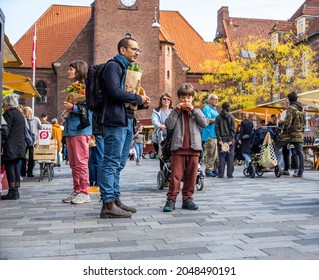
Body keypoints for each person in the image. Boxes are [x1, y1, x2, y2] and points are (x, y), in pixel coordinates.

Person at [99, 36, 151, 219]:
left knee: (119, 163)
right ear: (123, 50)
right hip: (115, 120)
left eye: (138, 50)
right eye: (134, 49)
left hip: (127, 120)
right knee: (111, 162)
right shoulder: (113, 66)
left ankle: (116, 200)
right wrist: (137, 98)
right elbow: (114, 92)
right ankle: (107, 204)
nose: (137, 52)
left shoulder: (127, 68)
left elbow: (125, 96)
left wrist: (142, 102)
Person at [162, 83, 208, 212]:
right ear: (179, 98)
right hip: (178, 149)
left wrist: (193, 110)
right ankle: (171, 200)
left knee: (191, 176)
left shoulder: (197, 111)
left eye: (188, 97)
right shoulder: (174, 112)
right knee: (175, 176)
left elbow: (204, 123)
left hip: (194, 149)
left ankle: (188, 199)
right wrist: (177, 110)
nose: (185, 100)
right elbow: (169, 125)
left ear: (192, 98)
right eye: (183, 98)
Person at [61, 60, 93, 204]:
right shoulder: (74, 88)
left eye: (71, 69)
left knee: (81, 162)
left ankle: (85, 192)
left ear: (79, 70)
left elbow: (89, 111)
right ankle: (77, 190)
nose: (68, 71)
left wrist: (72, 107)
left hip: (80, 129)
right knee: (73, 163)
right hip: (70, 130)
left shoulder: (86, 89)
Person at [1, 94, 26, 200]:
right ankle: (15, 191)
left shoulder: (8, 113)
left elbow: (5, 130)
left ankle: (13, 192)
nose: (3, 106)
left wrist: (2, 142)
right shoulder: (20, 114)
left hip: (10, 145)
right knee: (15, 167)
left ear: (8, 104)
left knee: (9, 167)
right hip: (19, 145)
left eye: (4, 104)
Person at [275, 92, 305, 178]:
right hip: (299, 134)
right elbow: (303, 122)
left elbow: (288, 123)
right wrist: (301, 131)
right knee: (300, 152)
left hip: (290, 134)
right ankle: (300, 172)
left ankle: (273, 165)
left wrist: (283, 130)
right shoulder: (301, 108)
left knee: (276, 146)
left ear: (289, 99)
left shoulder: (291, 108)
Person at [215, 102, 236, 178]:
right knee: (230, 157)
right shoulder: (231, 117)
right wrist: (230, 139)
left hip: (221, 138)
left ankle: (221, 174)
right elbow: (233, 129)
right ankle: (230, 174)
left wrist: (219, 139)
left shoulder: (218, 117)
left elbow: (216, 129)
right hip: (229, 139)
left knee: (221, 157)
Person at [201, 94, 219, 177]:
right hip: (209, 134)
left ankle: (214, 169)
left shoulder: (214, 109)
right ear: (210, 100)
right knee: (210, 152)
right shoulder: (206, 109)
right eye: (215, 99)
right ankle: (208, 170)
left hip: (215, 134)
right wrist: (217, 119)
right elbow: (207, 120)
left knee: (215, 154)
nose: (216, 101)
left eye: (217, 99)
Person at [21, 106, 42, 177]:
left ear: (30, 112)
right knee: (23, 156)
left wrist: (37, 137)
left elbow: (41, 127)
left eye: (25, 111)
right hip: (24, 141)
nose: (24, 113)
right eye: (23, 111)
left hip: (33, 141)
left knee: (32, 157)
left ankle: (30, 172)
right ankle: (23, 172)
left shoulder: (36, 119)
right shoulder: (23, 119)